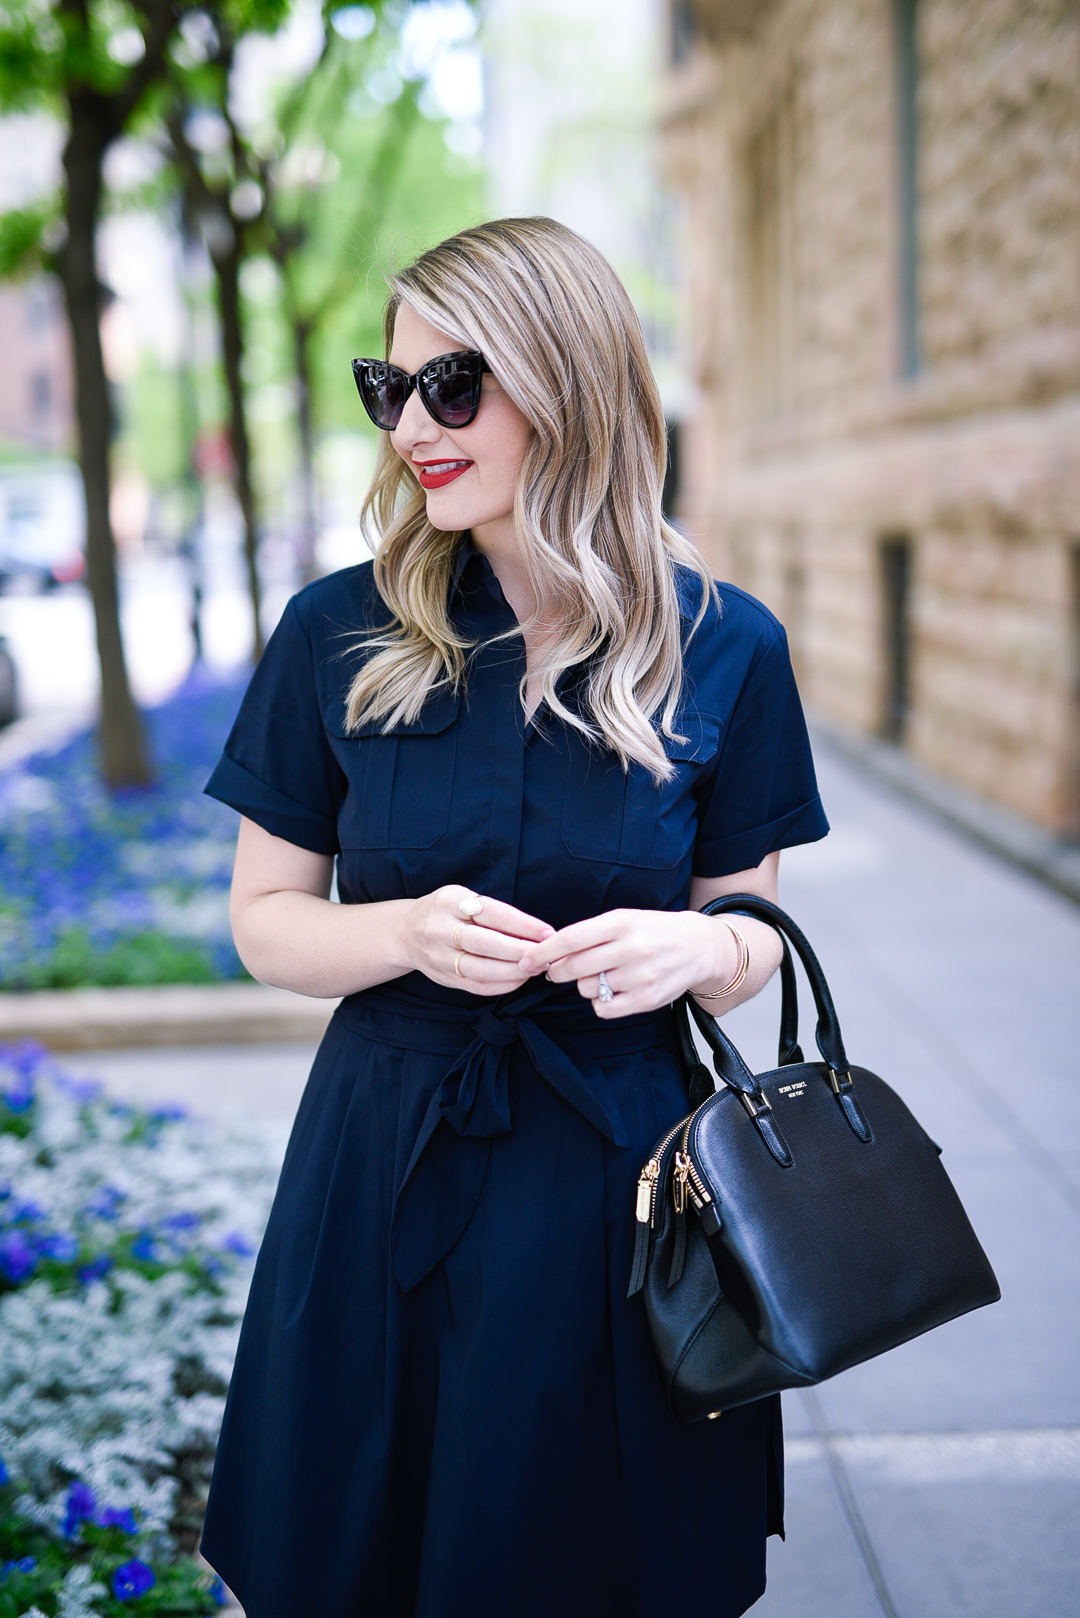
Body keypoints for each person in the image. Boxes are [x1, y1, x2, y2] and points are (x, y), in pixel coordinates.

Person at [200, 217, 829, 1618]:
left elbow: (753, 932)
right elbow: (266, 916)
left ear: (567, 382)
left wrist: (698, 947)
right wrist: (405, 933)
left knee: (595, 1563)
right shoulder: (334, 629)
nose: (411, 425)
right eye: (390, 387)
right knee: (365, 1549)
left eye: (453, 385)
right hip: (386, 1157)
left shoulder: (725, 640)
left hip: (621, 1180)